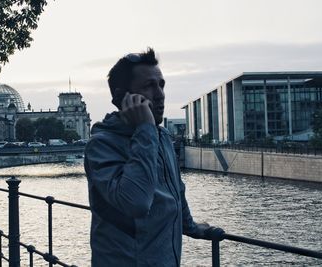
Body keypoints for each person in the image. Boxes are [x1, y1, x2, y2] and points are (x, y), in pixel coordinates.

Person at [84, 48, 223, 266]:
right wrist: (145, 128)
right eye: (149, 86)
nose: (160, 94)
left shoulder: (162, 137)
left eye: (161, 84)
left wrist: (191, 227)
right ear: (123, 97)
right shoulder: (101, 146)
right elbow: (136, 202)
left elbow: (176, 189)